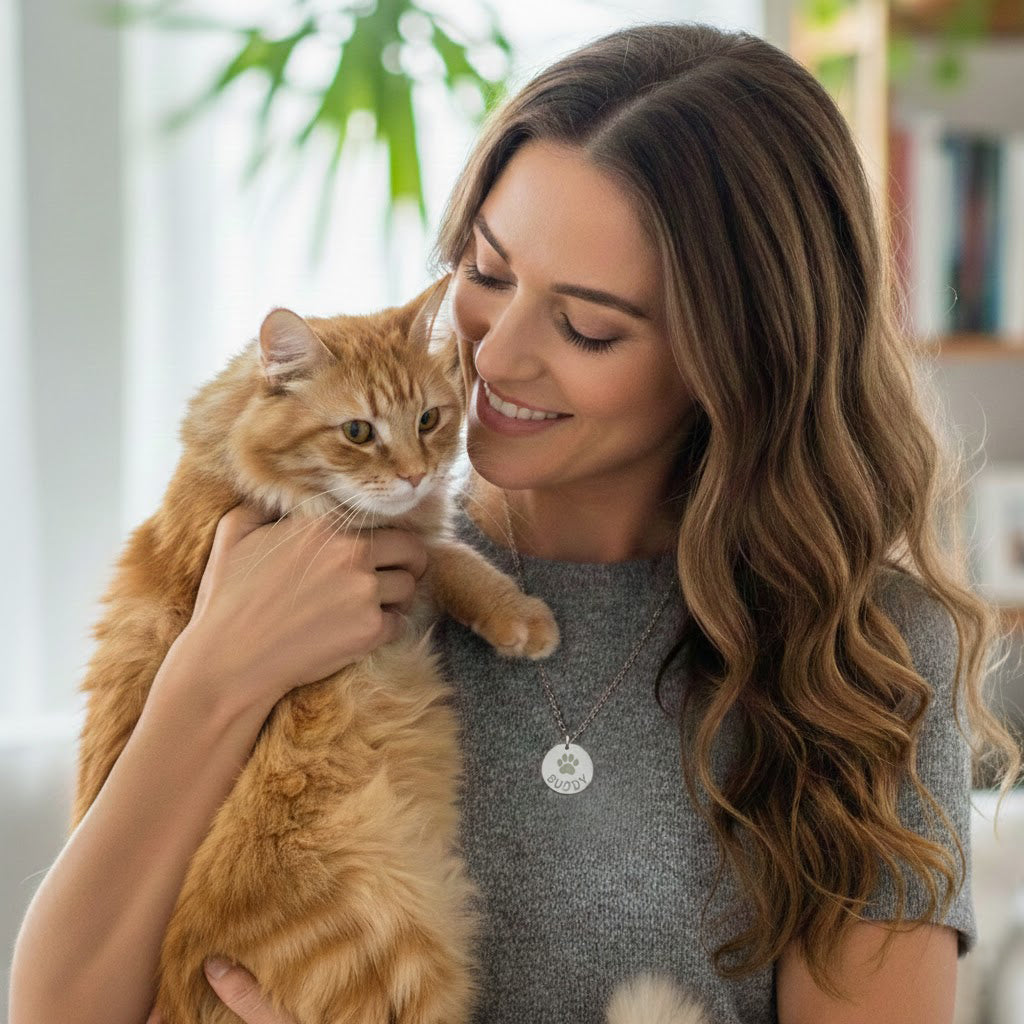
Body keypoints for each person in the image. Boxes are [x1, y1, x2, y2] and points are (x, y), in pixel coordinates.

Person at [9, 21, 1021, 1024]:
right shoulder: (292, 555)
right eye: (488, 275)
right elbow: (59, 1009)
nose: (491, 360)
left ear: (735, 358)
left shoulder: (863, 655)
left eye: (585, 325)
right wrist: (214, 674)